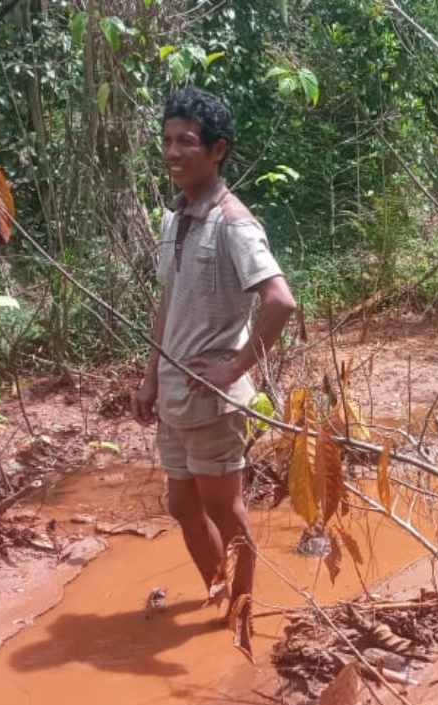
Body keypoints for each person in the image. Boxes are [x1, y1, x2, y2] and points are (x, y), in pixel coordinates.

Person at [132, 87, 298, 616]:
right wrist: (151, 376)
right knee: (181, 504)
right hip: (175, 392)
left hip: (212, 398)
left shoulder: (234, 224)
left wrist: (235, 367)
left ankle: (243, 613)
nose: (173, 153)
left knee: (224, 509)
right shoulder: (174, 219)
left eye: (187, 142)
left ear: (217, 150)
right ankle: (218, 591)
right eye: (167, 141)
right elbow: (168, 302)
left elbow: (279, 302)